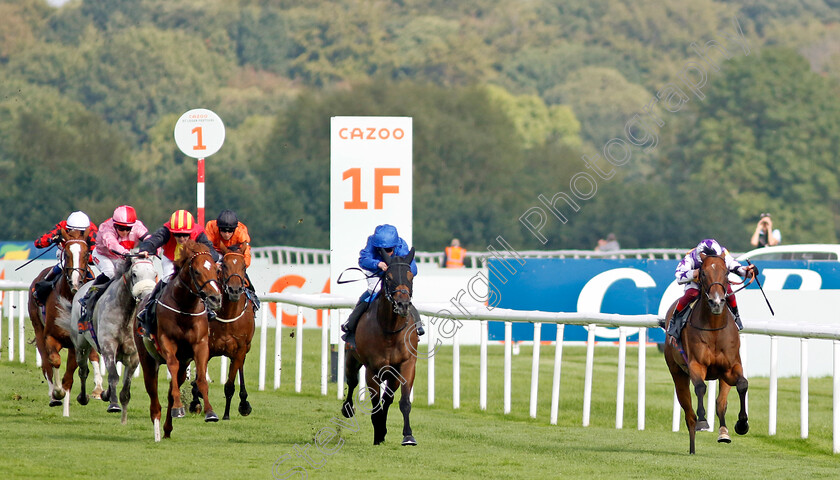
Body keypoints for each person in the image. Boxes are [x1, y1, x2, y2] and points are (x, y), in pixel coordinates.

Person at [135, 209, 220, 336]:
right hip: (171, 259)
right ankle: (148, 307)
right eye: (177, 235)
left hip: (189, 263)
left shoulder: (199, 233)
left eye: (185, 235)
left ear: (191, 232)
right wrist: (145, 249)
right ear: (172, 231)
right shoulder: (166, 230)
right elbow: (153, 241)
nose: (181, 238)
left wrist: (207, 258)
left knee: (197, 281)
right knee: (167, 279)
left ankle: (207, 309)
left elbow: (212, 252)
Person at [340, 224, 424, 347]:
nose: (387, 252)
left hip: (395, 274)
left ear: (395, 245)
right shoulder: (371, 241)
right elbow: (363, 260)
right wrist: (377, 264)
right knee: (372, 292)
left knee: (401, 294)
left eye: (389, 250)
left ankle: (417, 324)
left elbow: (413, 269)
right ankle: (351, 324)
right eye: (381, 250)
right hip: (376, 270)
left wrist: (396, 270)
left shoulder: (401, 245)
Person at [667, 239, 757, 342]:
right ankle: (675, 319)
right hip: (696, 282)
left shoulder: (723, 253)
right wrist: (695, 273)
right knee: (692, 293)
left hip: (715, 281)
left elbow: (736, 267)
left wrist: (750, 271)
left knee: (728, 291)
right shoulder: (690, 257)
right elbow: (679, 277)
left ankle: (736, 316)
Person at [79, 205, 150, 330]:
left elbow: (149, 240)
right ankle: (89, 299)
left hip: (123, 256)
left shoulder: (138, 226)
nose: (125, 232)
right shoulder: (106, 229)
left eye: (128, 228)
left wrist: (151, 249)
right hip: (103, 255)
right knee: (111, 274)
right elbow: (113, 245)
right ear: (115, 225)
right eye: (122, 228)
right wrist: (129, 254)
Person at [32, 211, 98, 304]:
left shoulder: (92, 231)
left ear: (85, 230)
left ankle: (93, 292)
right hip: (65, 253)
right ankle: (41, 288)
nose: (76, 234)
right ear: (68, 228)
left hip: (82, 257)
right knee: (62, 265)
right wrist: (52, 239)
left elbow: (95, 252)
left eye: (81, 232)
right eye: (72, 231)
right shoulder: (61, 227)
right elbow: (38, 243)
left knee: (86, 270)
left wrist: (85, 258)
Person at [205, 209, 259, 310]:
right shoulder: (211, 227)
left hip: (235, 253)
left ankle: (252, 297)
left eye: (230, 231)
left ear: (234, 229)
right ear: (218, 228)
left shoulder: (241, 232)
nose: (226, 234)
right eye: (223, 230)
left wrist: (240, 266)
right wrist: (214, 264)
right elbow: (207, 249)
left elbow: (246, 254)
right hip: (216, 252)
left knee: (239, 270)